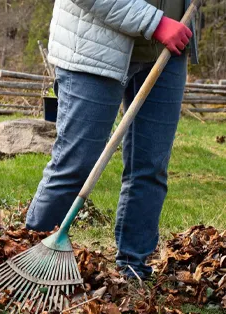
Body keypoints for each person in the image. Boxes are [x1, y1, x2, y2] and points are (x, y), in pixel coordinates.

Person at [26, 0, 198, 279]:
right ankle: (31, 255)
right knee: (76, 164)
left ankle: (134, 267)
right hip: (94, 47)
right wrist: (154, 23)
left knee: (150, 166)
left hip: (168, 50)